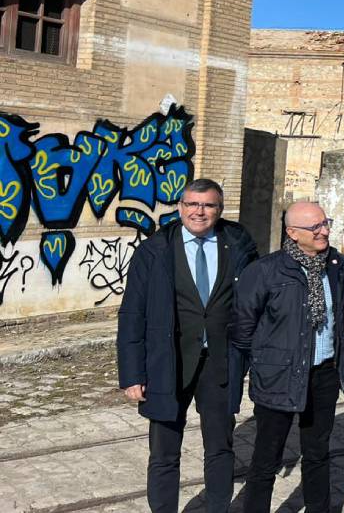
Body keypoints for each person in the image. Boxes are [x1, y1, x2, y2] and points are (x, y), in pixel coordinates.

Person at [117, 179, 258, 513]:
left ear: (220, 209)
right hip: (168, 363)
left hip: (221, 362)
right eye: (192, 204)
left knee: (220, 447)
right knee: (164, 451)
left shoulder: (238, 242)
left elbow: (257, 300)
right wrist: (132, 374)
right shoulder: (155, 249)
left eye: (208, 205)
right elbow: (132, 313)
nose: (199, 211)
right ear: (180, 207)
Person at [234, 201, 344, 513]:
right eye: (315, 227)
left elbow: (339, 319)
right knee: (266, 458)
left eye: (325, 223)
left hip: (324, 374)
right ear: (292, 233)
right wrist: (267, 362)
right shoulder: (265, 271)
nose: (324, 231)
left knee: (317, 453)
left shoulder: (338, 265)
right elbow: (243, 328)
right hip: (279, 376)